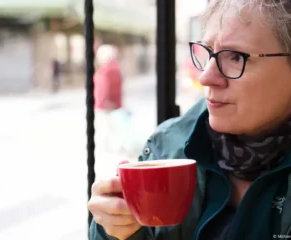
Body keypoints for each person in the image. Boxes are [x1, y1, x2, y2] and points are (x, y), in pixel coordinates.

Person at [88, 0, 291, 239]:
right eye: (208, 53)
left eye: (235, 57)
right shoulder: (170, 146)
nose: (206, 77)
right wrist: (114, 228)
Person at [93, 44, 123, 152]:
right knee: (112, 127)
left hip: (106, 105)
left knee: (106, 128)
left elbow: (103, 88)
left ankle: (108, 148)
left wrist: (103, 101)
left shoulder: (107, 70)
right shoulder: (115, 68)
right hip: (113, 103)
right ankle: (114, 147)